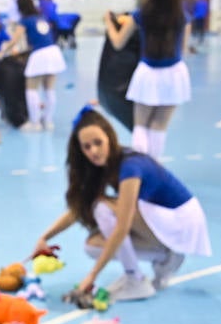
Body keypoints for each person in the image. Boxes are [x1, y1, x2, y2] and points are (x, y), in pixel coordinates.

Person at [33, 106, 208, 302]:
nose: (94, 151)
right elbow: (77, 210)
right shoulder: (103, 165)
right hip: (159, 221)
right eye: (87, 147)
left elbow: (122, 226)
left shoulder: (129, 167)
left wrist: (92, 276)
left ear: (110, 137)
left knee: (101, 208)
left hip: (181, 220)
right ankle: (164, 256)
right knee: (93, 246)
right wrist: (45, 237)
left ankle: (135, 279)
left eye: (98, 143)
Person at [106, 0, 191, 158]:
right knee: (159, 126)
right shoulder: (182, 17)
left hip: (148, 73)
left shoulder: (141, 14)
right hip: (174, 73)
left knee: (141, 125)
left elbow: (118, 43)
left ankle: (141, 169)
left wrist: (109, 24)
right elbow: (183, 50)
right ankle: (155, 167)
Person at [7, 0, 66, 131]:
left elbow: (15, 40)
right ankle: (48, 121)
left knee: (31, 88)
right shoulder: (41, 17)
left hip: (40, 54)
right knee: (49, 88)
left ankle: (35, 123)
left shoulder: (25, 20)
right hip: (53, 51)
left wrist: (2, 51)